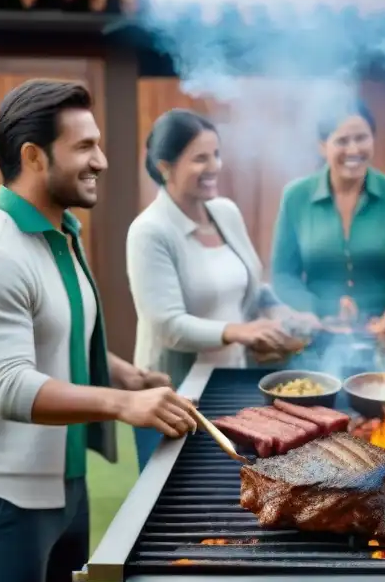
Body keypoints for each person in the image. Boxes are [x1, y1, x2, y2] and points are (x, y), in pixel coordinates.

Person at [0, 80, 198, 582]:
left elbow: (55, 332)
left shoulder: (60, 234)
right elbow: (8, 385)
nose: (102, 161)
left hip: (65, 489)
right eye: (85, 146)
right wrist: (125, 404)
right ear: (34, 157)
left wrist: (116, 371)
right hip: (3, 502)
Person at [127, 109, 315, 471]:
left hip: (229, 385)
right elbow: (167, 325)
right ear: (165, 166)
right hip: (174, 397)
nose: (214, 166)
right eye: (200, 158)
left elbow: (247, 281)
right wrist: (239, 332)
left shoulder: (224, 212)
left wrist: (279, 310)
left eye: (216, 154)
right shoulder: (149, 231)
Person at [270, 100, 385, 343]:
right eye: (342, 141)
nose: (353, 150)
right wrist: (313, 310)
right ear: (323, 146)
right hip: (317, 336)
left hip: (382, 336)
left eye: (361, 138)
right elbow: (283, 274)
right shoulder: (296, 196)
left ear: (373, 139)